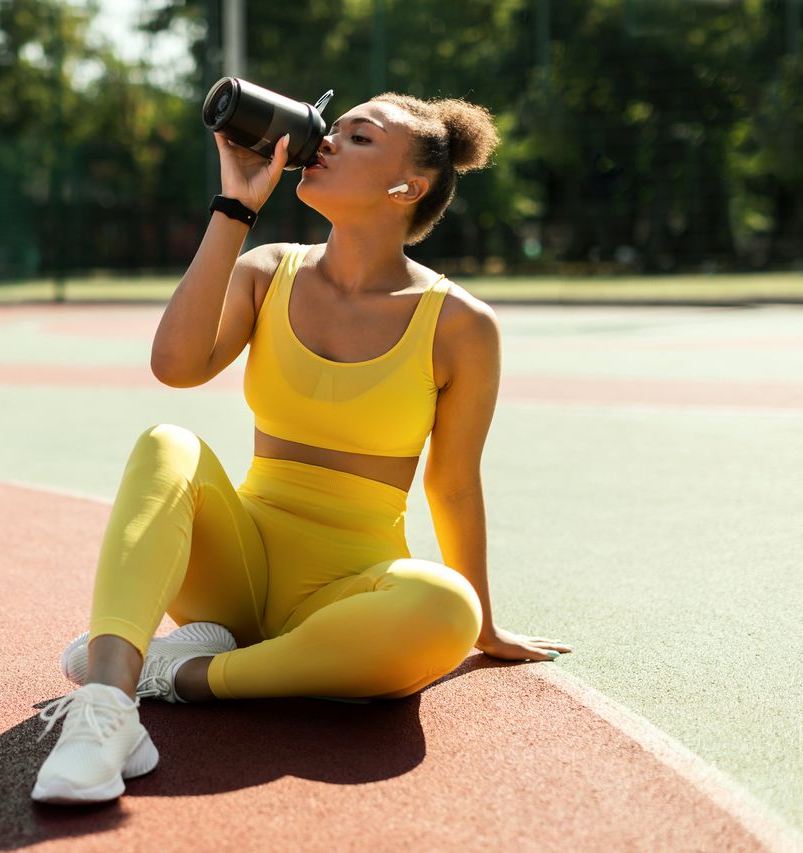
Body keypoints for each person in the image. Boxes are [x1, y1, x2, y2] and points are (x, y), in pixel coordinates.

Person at [30, 92, 573, 805]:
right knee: (168, 442)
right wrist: (234, 207)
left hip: (346, 594)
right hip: (235, 572)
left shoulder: (461, 324)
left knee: (448, 604)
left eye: (359, 137)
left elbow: (453, 483)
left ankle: (178, 675)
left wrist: (487, 625)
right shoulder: (269, 269)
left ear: (406, 186)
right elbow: (176, 366)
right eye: (333, 126)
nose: (326, 141)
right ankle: (106, 708)